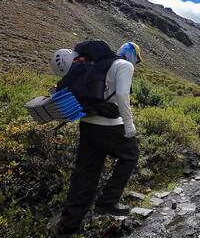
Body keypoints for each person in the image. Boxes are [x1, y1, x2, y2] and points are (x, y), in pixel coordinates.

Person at [52, 41, 143, 237]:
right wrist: (129, 124)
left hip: (87, 125)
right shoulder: (124, 66)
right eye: (137, 59)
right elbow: (122, 95)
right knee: (131, 154)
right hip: (109, 126)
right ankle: (108, 201)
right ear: (132, 54)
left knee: (84, 178)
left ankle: (66, 229)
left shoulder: (97, 64)